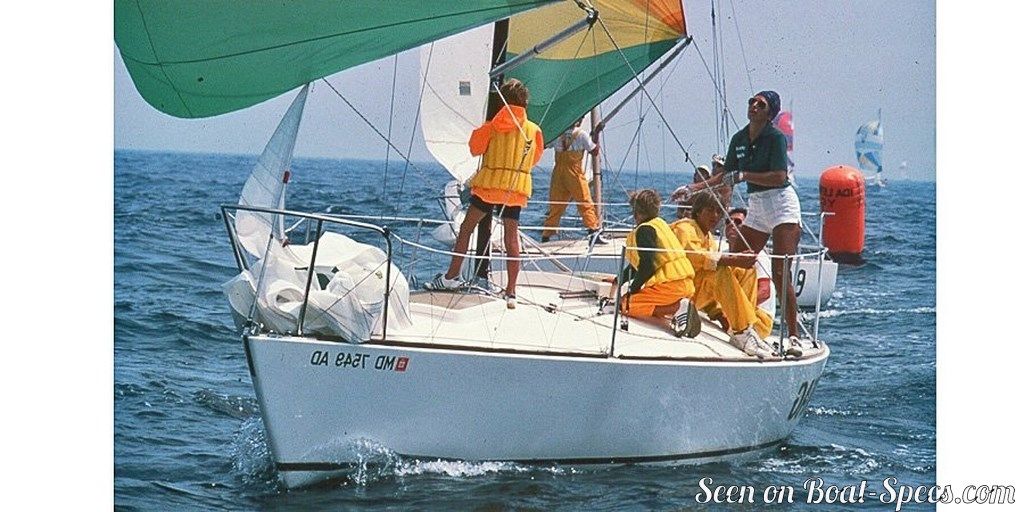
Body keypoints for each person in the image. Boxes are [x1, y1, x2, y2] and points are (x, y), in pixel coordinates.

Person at [671, 90, 808, 354]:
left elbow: (780, 176)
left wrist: (745, 174)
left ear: (770, 113)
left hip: (781, 205)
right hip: (757, 205)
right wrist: (692, 188)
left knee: (780, 272)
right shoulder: (739, 138)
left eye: (761, 104)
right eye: (751, 102)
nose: (754, 107)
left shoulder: (775, 138)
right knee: (735, 261)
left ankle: (793, 336)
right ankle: (735, 322)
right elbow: (725, 177)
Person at [428, 79, 544, 309]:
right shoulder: (534, 130)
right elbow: (536, 157)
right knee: (512, 238)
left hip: (489, 188)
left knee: (466, 229)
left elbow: (475, 148)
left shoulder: (492, 126)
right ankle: (511, 291)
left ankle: (451, 277)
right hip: (515, 189)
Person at [670, 193, 779, 358]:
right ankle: (742, 330)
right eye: (710, 210)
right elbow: (695, 255)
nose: (715, 216)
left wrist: (720, 315)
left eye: (718, 212)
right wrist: (732, 259)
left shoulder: (708, 237)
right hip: (680, 288)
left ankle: (744, 327)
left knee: (746, 270)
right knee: (719, 270)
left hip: (696, 290)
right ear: (698, 211)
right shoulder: (685, 228)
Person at [613, 189, 698, 338]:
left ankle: (677, 308)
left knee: (626, 304)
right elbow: (637, 266)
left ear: (636, 212)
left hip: (671, 286)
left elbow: (647, 266)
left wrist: (633, 290)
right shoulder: (660, 225)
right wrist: (618, 280)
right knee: (636, 299)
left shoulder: (644, 230)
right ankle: (678, 309)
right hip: (685, 284)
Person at [541, 118, 606, 244]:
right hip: (574, 173)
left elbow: (545, 145)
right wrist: (596, 133)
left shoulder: (558, 134)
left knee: (556, 205)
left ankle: (546, 235)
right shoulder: (581, 134)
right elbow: (595, 151)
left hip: (558, 173)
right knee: (584, 202)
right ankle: (593, 231)